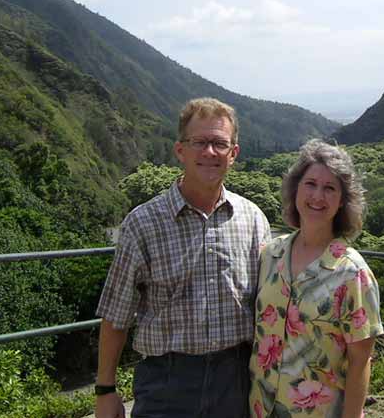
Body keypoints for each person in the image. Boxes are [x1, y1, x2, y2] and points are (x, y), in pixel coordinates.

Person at [95, 97, 271, 418]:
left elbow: (268, 307)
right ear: (180, 150)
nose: (209, 152)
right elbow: (116, 314)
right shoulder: (143, 222)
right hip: (166, 381)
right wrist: (106, 390)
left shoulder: (253, 219)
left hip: (237, 379)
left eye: (220, 143)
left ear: (234, 153)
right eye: (199, 142)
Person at [249, 139, 384, 418]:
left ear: (342, 201)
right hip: (259, 407)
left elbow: (360, 363)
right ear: (295, 188)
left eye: (330, 188)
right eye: (310, 184)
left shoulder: (351, 273)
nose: (317, 196)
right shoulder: (270, 255)